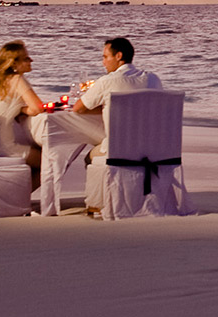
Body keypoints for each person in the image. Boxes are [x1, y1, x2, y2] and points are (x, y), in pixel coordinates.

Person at [28, 36, 162, 215]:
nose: (103, 62)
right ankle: (135, 196)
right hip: (155, 147)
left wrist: (105, 104)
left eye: (105, 57)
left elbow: (79, 108)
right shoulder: (152, 79)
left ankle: (100, 203)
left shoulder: (107, 81)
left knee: (90, 157)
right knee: (102, 142)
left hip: (121, 147)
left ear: (119, 56)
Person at [0, 40, 46, 186]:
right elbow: (37, 108)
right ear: (14, 64)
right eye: (26, 58)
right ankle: (17, 200)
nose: (31, 60)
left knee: (39, 156)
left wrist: (20, 109)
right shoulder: (16, 79)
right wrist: (23, 109)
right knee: (50, 161)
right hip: (2, 149)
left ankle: (13, 197)